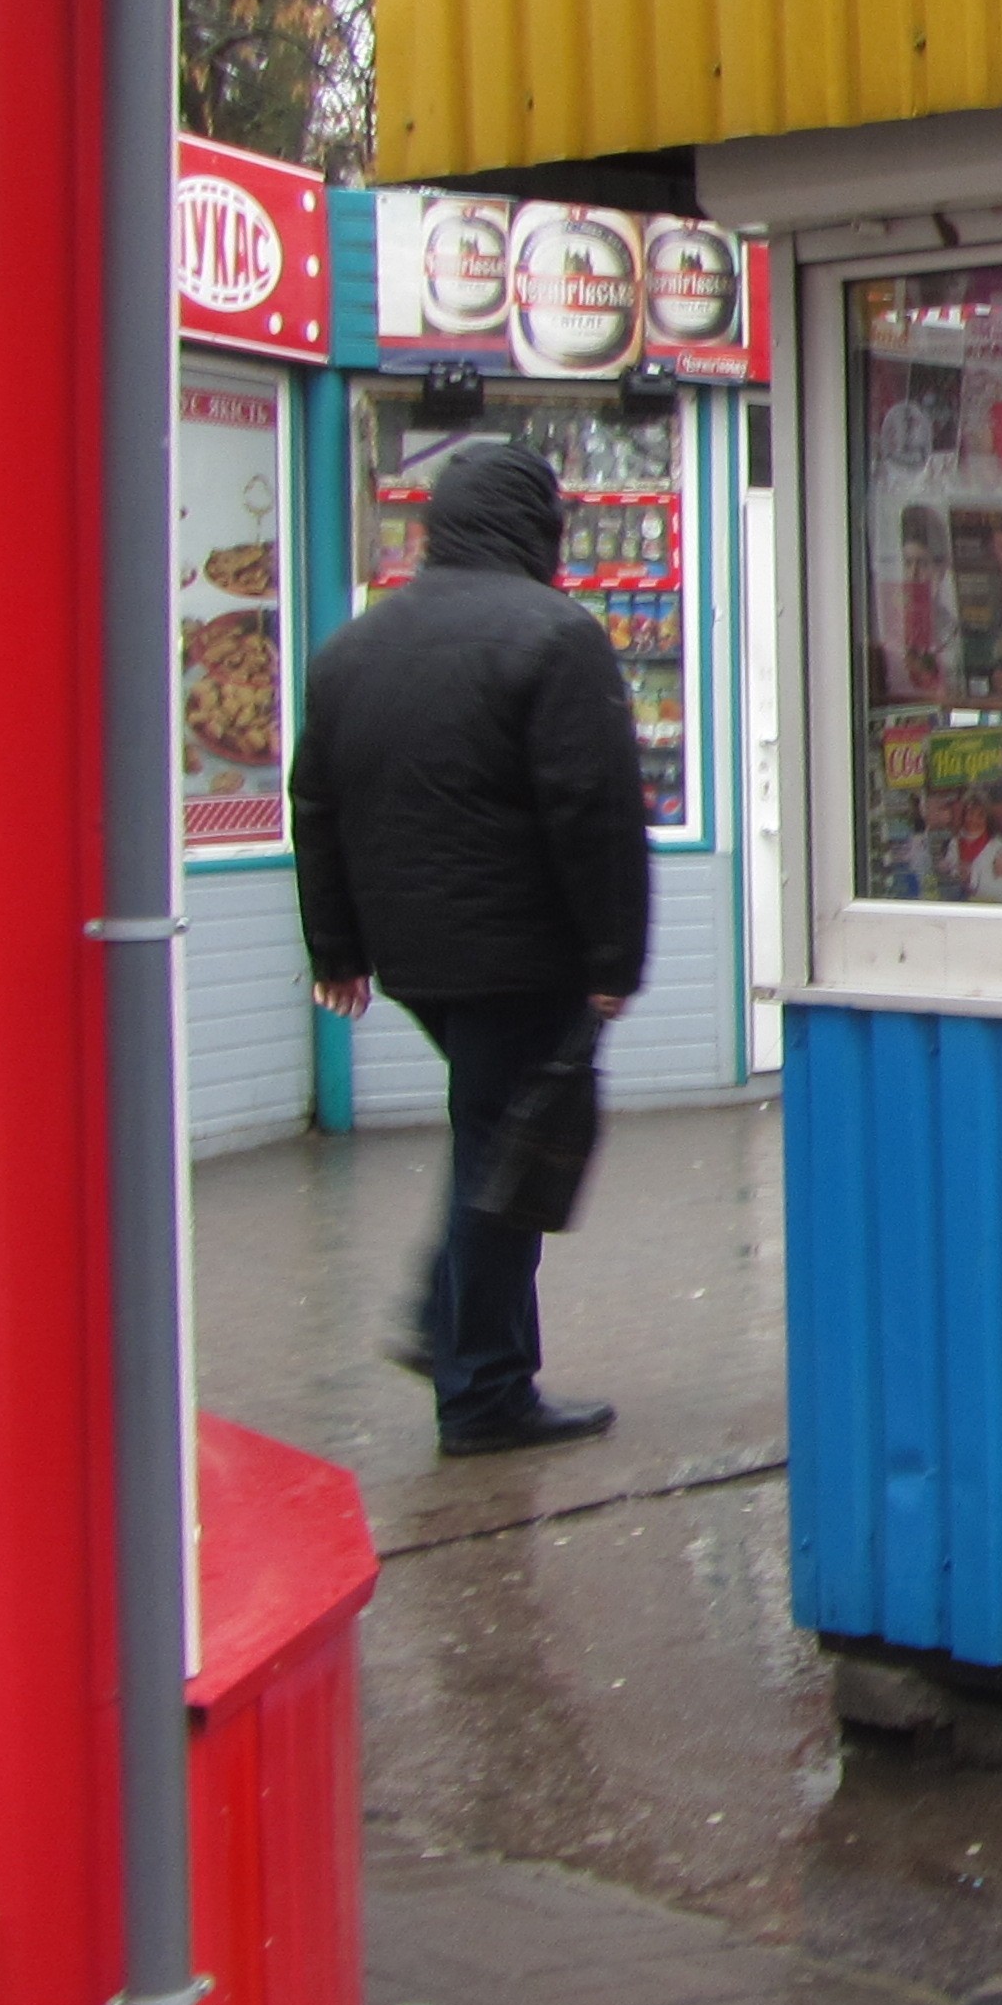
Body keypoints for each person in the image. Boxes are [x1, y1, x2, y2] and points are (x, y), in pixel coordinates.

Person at [292, 441, 648, 1458]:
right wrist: (614, 959)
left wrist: (336, 950)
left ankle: (457, 1333)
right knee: (514, 1152)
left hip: (415, 959)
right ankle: (480, 1382)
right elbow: (593, 812)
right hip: (522, 955)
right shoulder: (556, 636)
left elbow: (315, 805)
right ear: (537, 528)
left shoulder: (352, 649)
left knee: (494, 1133)